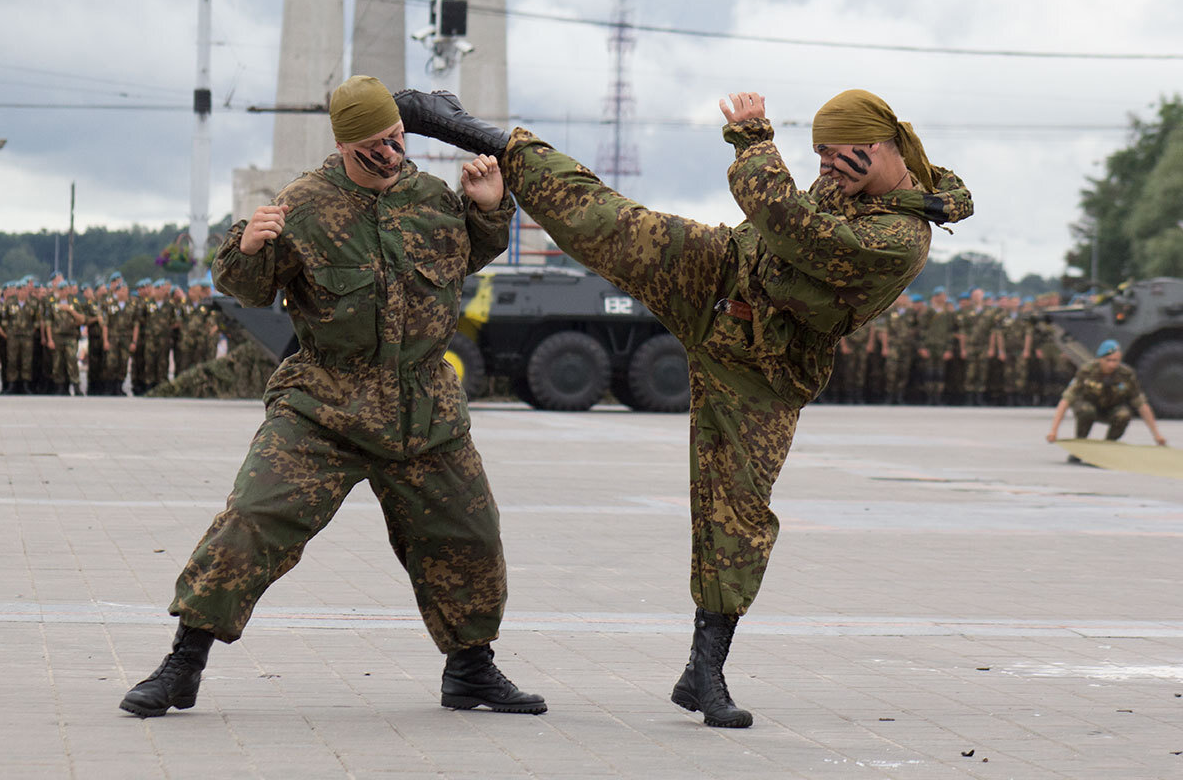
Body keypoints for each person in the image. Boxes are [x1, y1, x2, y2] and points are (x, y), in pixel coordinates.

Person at [395, 86, 973, 727]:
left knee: (737, 512)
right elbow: (772, 227)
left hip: (763, 367)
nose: (825, 167)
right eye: (819, 155)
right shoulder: (856, 185)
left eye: (835, 155)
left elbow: (788, 224)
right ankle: (457, 122)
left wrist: (754, 139)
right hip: (720, 273)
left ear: (880, 147)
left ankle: (705, 672)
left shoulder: (900, 236)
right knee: (603, 218)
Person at [119, 75, 544, 720]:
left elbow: (469, 256)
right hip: (325, 405)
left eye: (398, 137)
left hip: (424, 407)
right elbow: (249, 287)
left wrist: (488, 208)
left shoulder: (430, 198)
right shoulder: (303, 206)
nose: (393, 151)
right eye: (377, 142)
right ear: (348, 146)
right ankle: (184, 663)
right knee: (252, 522)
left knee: (469, 536)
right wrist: (249, 246)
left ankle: (471, 670)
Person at [1046, 339, 1166, 457]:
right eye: (1108, 360)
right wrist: (1054, 431)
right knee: (1086, 410)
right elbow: (1066, 400)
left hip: (1111, 408)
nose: (1112, 364)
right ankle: (1080, 446)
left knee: (1124, 414)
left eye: (1116, 361)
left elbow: (1141, 405)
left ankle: (1108, 446)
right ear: (1100, 359)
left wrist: (1156, 435)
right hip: (1089, 406)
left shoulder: (1126, 375)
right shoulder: (1087, 371)